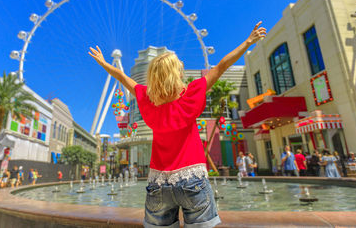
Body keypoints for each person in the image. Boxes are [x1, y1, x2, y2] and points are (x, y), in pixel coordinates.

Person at [88, 21, 266, 228]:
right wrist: (248, 42)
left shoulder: (146, 98)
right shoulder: (191, 93)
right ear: (177, 73)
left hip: (158, 184)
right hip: (193, 180)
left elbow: (123, 77)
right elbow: (221, 66)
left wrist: (103, 63)